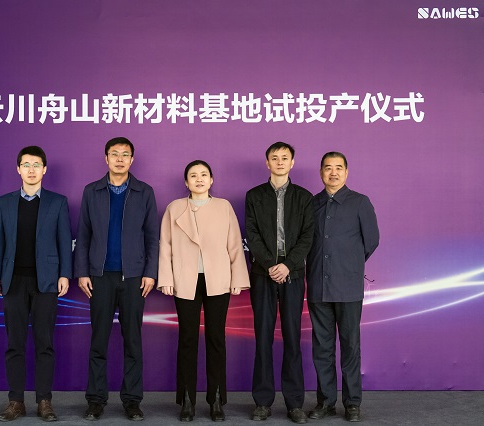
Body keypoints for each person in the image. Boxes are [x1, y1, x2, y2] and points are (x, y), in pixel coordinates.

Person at [74, 137, 159, 421]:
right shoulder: (92, 191)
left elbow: (152, 236)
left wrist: (150, 272)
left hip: (134, 277)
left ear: (132, 160)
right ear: (106, 158)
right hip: (100, 277)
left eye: (125, 154)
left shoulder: (144, 192)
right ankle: (96, 400)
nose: (120, 159)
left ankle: (132, 401)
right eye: (114, 154)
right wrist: (82, 271)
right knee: (98, 340)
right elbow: (83, 234)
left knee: (133, 341)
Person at [158, 160, 249, 422]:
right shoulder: (174, 208)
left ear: (211, 180)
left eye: (204, 175)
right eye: (193, 175)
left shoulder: (223, 207)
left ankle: (216, 399)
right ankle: (187, 400)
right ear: (186, 182)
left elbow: (234, 244)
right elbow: (165, 245)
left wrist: (237, 277)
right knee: (187, 339)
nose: (199, 179)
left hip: (217, 278)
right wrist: (166, 277)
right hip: (184, 279)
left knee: (216, 339)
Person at [0, 146, 72, 422]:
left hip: (46, 281)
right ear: (18, 169)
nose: (31, 170)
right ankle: (16, 401)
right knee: (14, 343)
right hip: (13, 281)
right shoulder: (4, 203)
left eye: (36, 165)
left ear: (44, 169)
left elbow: (64, 240)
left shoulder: (57, 202)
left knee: (44, 343)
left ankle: (44, 401)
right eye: (26, 165)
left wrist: (65, 273)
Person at [306, 152, 379, 423]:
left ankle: (352, 403)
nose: (333, 172)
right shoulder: (312, 204)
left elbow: (371, 241)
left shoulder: (360, 202)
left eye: (339, 168)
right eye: (328, 168)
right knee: (322, 348)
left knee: (350, 346)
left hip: (348, 287)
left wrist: (348, 264)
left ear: (346, 172)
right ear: (321, 172)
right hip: (318, 285)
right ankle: (325, 401)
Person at [245, 142, 314, 423]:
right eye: (275, 158)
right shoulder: (254, 196)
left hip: (292, 273)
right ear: (268, 163)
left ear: (292, 163)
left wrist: (287, 265)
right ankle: (262, 402)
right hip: (263, 273)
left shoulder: (304, 197)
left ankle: (295, 403)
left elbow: (307, 236)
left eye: (285, 158)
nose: (280, 162)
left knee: (292, 338)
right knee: (262, 338)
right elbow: (251, 233)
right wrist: (270, 265)